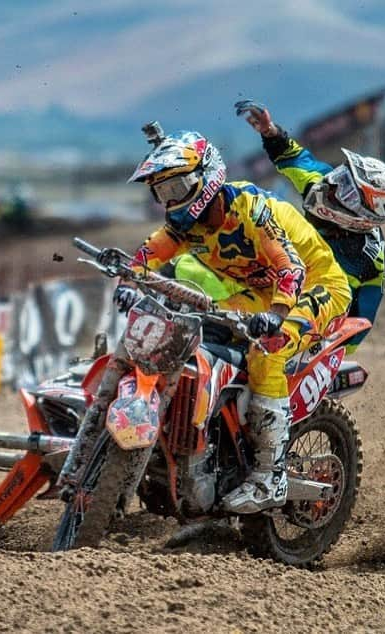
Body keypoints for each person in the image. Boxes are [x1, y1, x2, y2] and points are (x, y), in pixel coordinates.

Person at [114, 125, 352, 513]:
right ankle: (210, 441)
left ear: (205, 178)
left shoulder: (251, 210)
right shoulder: (185, 225)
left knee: (268, 350)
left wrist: (276, 317)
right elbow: (148, 254)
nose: (170, 199)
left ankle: (269, 474)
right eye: (162, 191)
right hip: (263, 292)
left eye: (176, 187)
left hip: (316, 285)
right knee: (193, 330)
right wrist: (128, 281)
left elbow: (290, 267)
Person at [234, 100, 385, 352]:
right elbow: (293, 157)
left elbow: (361, 322)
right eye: (344, 176)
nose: (335, 184)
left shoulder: (366, 260)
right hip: (275, 269)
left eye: (348, 190)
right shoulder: (323, 185)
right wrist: (269, 130)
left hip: (313, 322)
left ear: (362, 215)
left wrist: (327, 348)